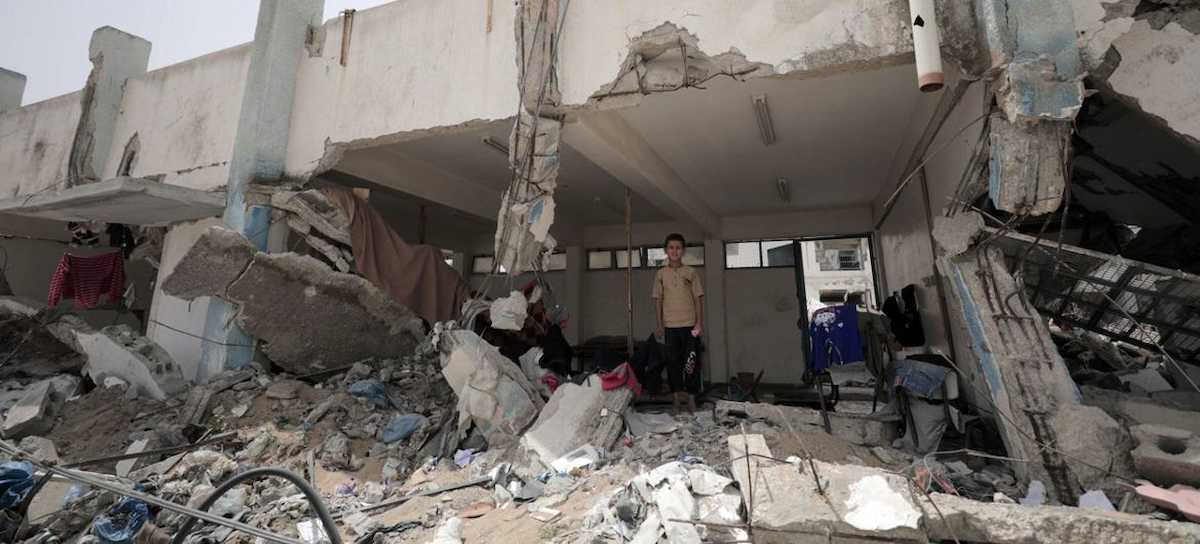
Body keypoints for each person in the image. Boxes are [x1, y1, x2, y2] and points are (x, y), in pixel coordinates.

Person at [652, 233, 704, 414]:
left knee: (691, 363)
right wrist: (659, 325)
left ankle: (691, 400)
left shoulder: (691, 272)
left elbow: (698, 299)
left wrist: (699, 324)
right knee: (673, 363)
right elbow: (658, 300)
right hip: (670, 327)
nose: (675, 251)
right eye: (671, 247)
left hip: (690, 326)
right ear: (666, 251)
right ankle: (676, 401)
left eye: (678, 247)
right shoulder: (660, 274)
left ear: (683, 251)